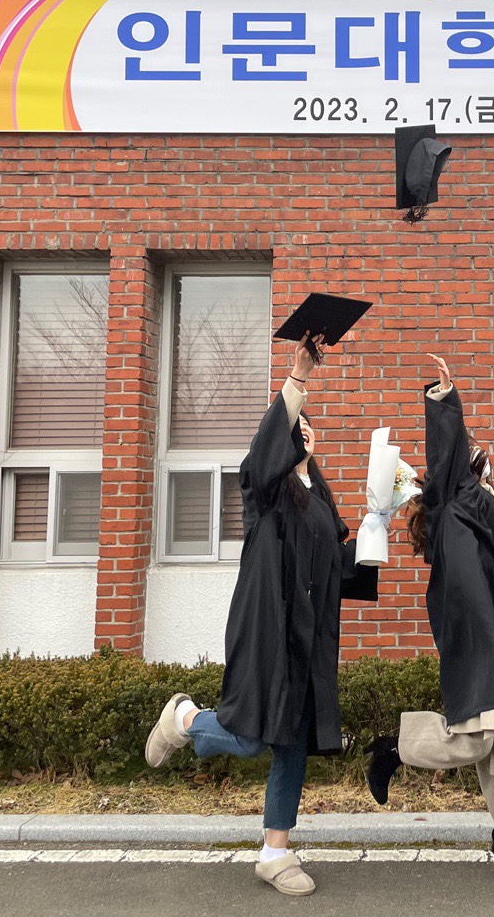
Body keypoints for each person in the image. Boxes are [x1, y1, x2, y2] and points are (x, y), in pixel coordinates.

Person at [144, 333, 379, 898]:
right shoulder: (266, 493)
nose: (302, 433)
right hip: (268, 628)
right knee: (250, 736)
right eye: (294, 428)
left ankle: (275, 852)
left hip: (307, 637)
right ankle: (186, 720)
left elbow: (334, 567)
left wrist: (379, 526)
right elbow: (263, 455)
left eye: (308, 429)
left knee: (292, 742)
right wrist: (298, 379)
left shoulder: (319, 502)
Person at [366, 353, 494, 883]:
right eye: (472, 453)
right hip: (472, 628)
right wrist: (444, 398)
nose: (479, 456)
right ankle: (393, 750)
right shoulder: (451, 500)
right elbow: (445, 451)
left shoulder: (490, 501)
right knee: (478, 734)